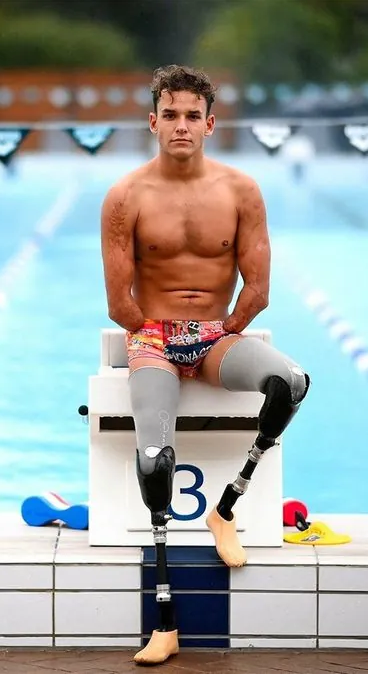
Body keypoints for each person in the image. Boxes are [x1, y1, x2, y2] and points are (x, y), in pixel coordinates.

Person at [99, 64, 311, 666]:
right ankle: (165, 623)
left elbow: (259, 288)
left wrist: (218, 336)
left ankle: (226, 508)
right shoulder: (125, 197)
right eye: (171, 115)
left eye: (193, 115)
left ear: (211, 124)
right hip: (153, 337)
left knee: (291, 384)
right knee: (153, 460)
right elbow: (120, 303)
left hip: (216, 335)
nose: (182, 125)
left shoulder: (242, 191)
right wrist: (161, 341)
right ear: (153, 122)